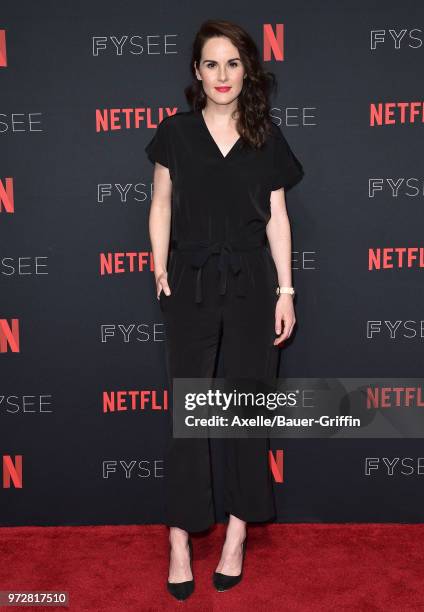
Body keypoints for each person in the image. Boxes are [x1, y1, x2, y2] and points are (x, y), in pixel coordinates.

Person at [145, 19, 304, 601]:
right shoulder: (175, 134)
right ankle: (180, 538)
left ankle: (237, 532)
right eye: (211, 64)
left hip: (251, 285)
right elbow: (160, 202)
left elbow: (278, 219)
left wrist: (286, 291)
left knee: (244, 412)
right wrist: (159, 263)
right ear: (196, 71)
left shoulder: (265, 135)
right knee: (190, 416)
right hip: (187, 281)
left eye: (232, 63)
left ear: (247, 71)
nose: (222, 75)